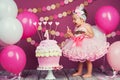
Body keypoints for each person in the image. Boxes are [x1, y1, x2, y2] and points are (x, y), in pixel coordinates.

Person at [62, 4, 109, 78]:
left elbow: (92, 35)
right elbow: (75, 37)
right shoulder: (76, 27)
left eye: (75, 19)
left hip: (87, 44)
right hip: (79, 44)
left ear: (82, 19)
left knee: (88, 60)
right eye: (73, 19)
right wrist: (70, 34)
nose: (73, 21)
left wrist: (86, 33)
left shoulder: (87, 26)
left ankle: (89, 73)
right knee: (80, 60)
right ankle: (79, 71)